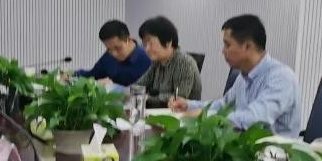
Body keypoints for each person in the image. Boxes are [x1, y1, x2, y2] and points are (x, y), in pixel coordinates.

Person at [170, 14, 300, 137]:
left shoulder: (281, 78)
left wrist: (204, 116)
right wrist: (188, 105)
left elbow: (254, 119)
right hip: (244, 145)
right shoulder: (243, 77)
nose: (223, 51)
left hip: (275, 151)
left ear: (247, 46)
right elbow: (224, 105)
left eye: (227, 45)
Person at [132, 16, 202, 108]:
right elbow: (139, 85)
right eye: (144, 44)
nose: (147, 49)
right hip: (157, 111)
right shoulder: (156, 62)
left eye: (150, 43)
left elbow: (178, 97)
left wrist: (147, 97)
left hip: (181, 114)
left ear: (168, 42)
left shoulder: (184, 62)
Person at [73, 20, 152, 87]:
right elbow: (92, 75)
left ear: (128, 40)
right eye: (109, 49)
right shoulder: (108, 57)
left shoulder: (148, 59)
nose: (114, 54)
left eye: (117, 48)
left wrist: (115, 87)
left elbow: (150, 92)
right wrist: (72, 74)